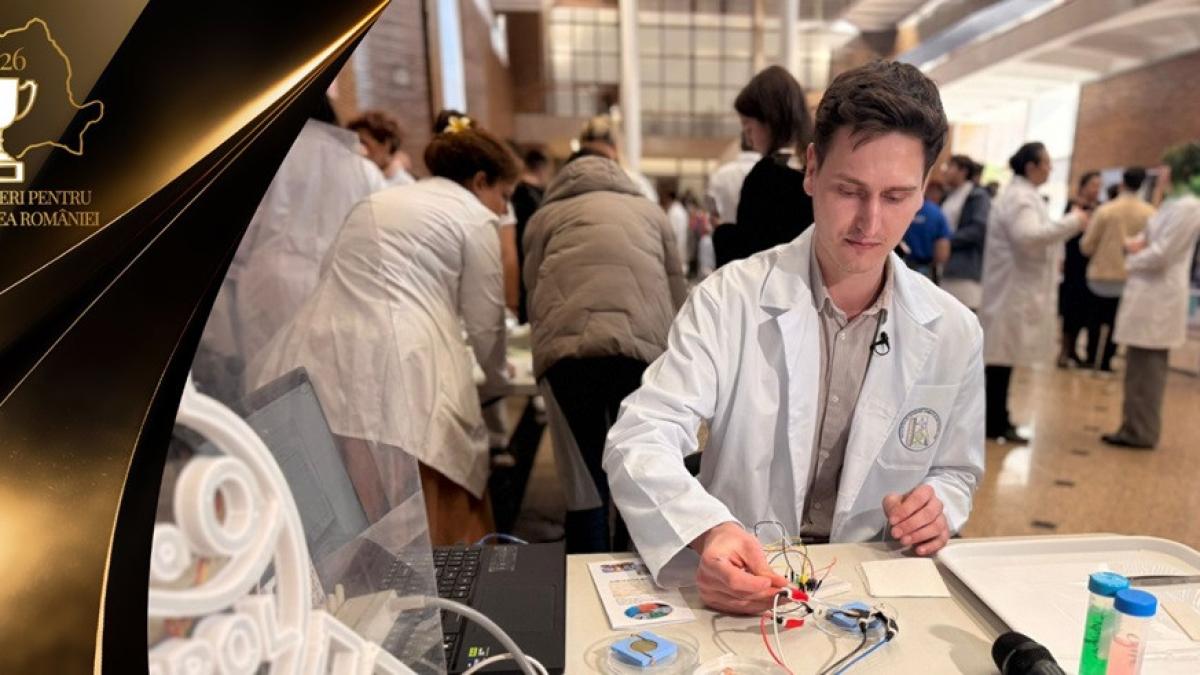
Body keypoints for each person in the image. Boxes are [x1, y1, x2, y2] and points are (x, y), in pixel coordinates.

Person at [604, 61, 984, 612]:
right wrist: (709, 531)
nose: (870, 223)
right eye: (849, 190)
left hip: (874, 588)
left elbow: (956, 470)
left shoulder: (953, 330)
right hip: (748, 579)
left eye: (897, 196)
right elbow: (641, 436)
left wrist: (938, 505)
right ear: (811, 170)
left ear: (925, 190)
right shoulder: (729, 299)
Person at [247, 111, 519, 545]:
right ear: (481, 181)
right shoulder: (474, 216)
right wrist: (500, 377)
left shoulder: (382, 200)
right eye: (504, 196)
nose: (504, 210)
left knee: (342, 521)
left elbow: (328, 270)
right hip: (403, 367)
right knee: (421, 524)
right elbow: (486, 324)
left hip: (317, 356)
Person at [523, 151, 687, 553]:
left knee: (584, 482)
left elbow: (531, 291)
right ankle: (639, 571)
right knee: (638, 465)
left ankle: (586, 575)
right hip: (641, 354)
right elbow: (677, 290)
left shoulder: (544, 217)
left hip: (566, 357)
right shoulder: (651, 213)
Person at [194, 96, 385, 407]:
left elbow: (245, 226)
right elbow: (373, 234)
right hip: (336, 282)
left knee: (269, 376)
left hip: (273, 277)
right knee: (328, 379)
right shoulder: (362, 168)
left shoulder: (272, 153)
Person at [979, 143, 1088, 443]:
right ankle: (995, 422)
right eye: (1046, 163)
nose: (1050, 169)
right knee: (1000, 360)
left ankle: (997, 420)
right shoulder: (1020, 198)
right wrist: (1073, 222)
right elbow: (1027, 237)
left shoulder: (1024, 195)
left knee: (1003, 359)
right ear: (1031, 166)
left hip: (1013, 290)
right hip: (1011, 291)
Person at [1104, 143, 1200, 449]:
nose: (1161, 173)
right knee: (1136, 369)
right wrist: (1136, 248)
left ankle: (1142, 431)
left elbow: (1162, 254)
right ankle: (1131, 425)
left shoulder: (1189, 207)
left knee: (1149, 371)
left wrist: (1132, 259)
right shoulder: (1172, 204)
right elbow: (1143, 239)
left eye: (1167, 167)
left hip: (1160, 298)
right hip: (1146, 293)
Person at [712, 66, 815, 267]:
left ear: (770, 120)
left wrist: (722, 232)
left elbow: (749, 256)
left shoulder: (766, 176)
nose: (748, 138)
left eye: (748, 127)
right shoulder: (818, 165)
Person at [1079, 167, 1155, 372]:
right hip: (1128, 276)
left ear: (1122, 182)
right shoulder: (1150, 213)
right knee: (1116, 322)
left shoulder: (1105, 210)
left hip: (1099, 274)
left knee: (1094, 320)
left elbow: (1087, 245)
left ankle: (1091, 358)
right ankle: (1106, 361)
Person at [1057, 171, 1103, 368]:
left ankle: (1075, 349)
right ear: (1083, 186)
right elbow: (1063, 232)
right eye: (1093, 185)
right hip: (1073, 263)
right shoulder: (1073, 206)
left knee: (1084, 309)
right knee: (1070, 308)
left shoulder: (1100, 208)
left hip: (1090, 265)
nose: (1096, 189)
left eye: (1099, 186)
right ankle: (1064, 349)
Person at [700, 138, 761, 277]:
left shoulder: (721, 174)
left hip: (727, 248)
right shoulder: (774, 173)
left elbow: (712, 215)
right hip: (762, 252)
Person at [940, 155, 991, 310]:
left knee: (963, 314)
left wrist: (948, 241)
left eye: (950, 167)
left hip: (965, 268)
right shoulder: (948, 195)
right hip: (945, 266)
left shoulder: (977, 196)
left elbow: (978, 229)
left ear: (963, 171)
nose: (945, 171)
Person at [511, 148, 552, 323]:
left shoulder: (512, 194)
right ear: (543, 168)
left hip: (515, 261)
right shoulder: (543, 197)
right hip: (535, 264)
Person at [578, 115, 658, 202]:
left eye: (601, 156)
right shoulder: (575, 186)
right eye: (587, 154)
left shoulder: (636, 185)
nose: (595, 161)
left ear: (615, 149)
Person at [347, 109, 416, 187]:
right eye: (354, 143)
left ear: (386, 144)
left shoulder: (404, 184)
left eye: (363, 143)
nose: (359, 149)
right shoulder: (353, 177)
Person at [901, 192, 952, 279]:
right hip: (926, 269)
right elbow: (942, 252)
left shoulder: (902, 209)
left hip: (900, 265)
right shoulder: (936, 213)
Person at [665, 189, 691, 275]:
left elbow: (671, 229)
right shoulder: (681, 210)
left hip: (675, 242)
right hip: (682, 240)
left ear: (669, 198)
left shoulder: (673, 211)